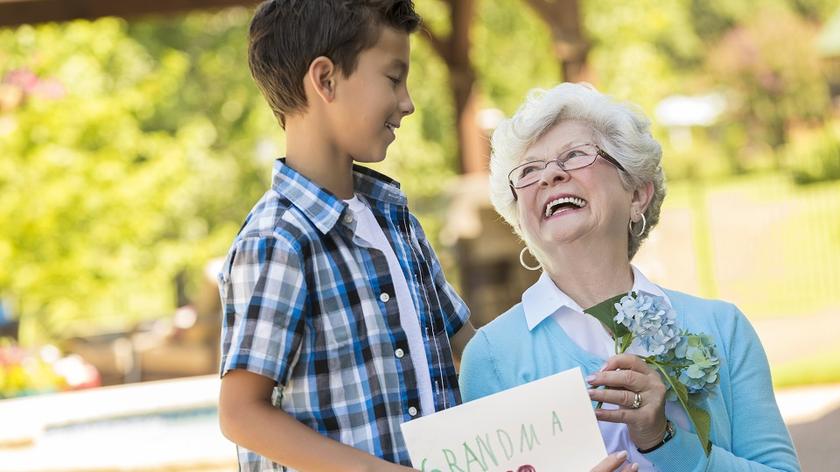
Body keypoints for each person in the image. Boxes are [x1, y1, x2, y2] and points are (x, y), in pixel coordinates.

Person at [459, 82, 801, 471]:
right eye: (529, 170)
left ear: (637, 193)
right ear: (520, 217)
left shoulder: (724, 329)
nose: (550, 176)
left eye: (574, 155)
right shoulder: (491, 357)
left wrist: (665, 441)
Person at [215, 2, 477, 470]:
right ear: (326, 80)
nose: (408, 102)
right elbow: (241, 414)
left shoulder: (397, 221)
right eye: (394, 78)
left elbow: (469, 348)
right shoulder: (279, 241)